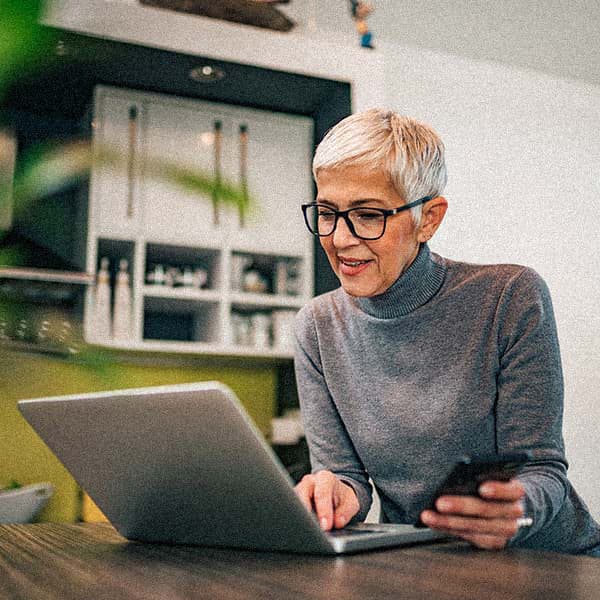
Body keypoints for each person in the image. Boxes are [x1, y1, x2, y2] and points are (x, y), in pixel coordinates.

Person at [293, 108, 600, 555]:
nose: (340, 239)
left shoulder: (510, 297)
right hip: (423, 562)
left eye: (367, 215)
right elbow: (348, 480)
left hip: (549, 560)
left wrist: (515, 509)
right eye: (327, 213)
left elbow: (544, 470)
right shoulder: (317, 328)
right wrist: (334, 494)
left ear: (429, 218)